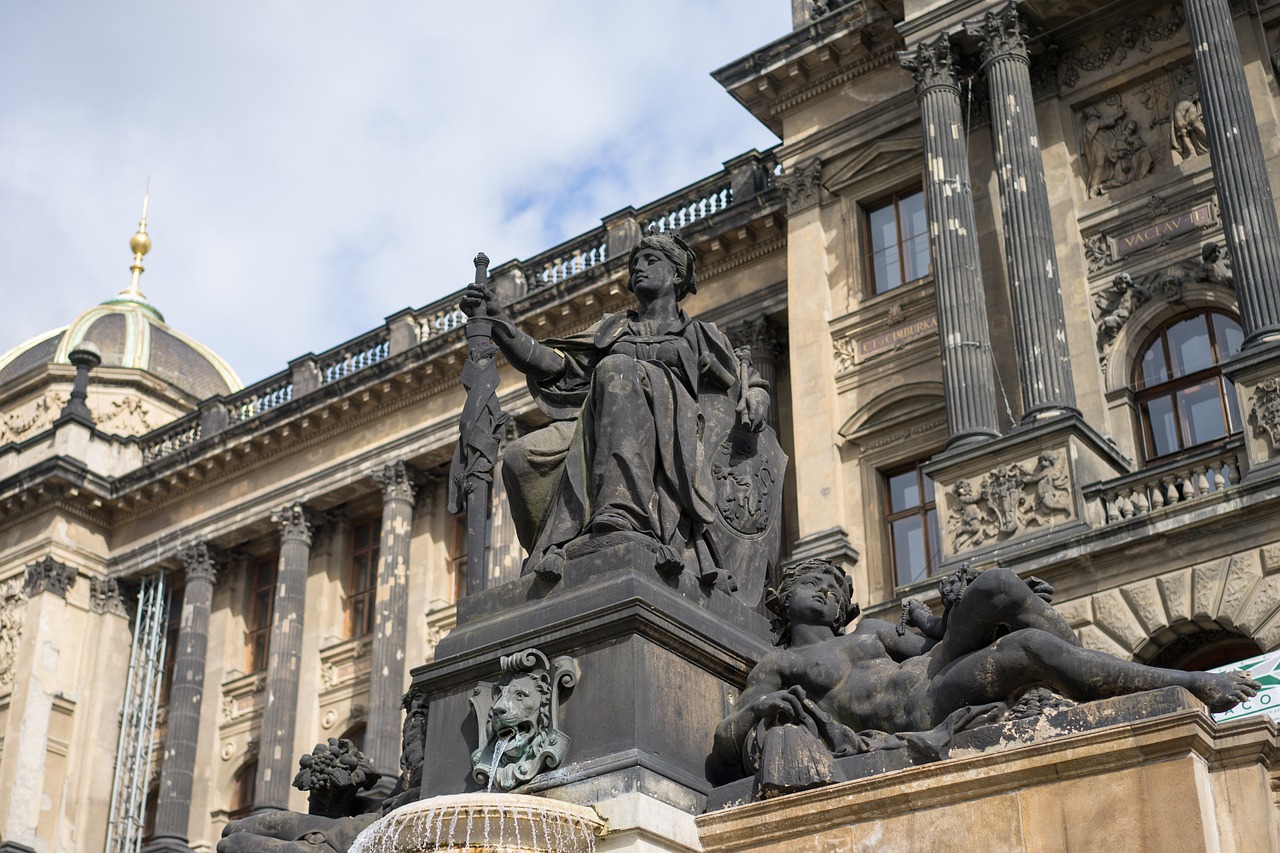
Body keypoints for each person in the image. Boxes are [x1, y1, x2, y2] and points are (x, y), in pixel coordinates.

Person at [712, 560, 1259, 787]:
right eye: (814, 582)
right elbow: (725, 739)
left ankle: (1089, 663)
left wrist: (956, 609)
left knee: (996, 585)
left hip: (932, 666)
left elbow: (934, 639)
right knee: (1027, 649)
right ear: (784, 601)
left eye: (836, 587)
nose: (828, 590)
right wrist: (762, 709)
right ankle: (1187, 682)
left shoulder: (872, 631)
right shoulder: (778, 665)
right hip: (921, 706)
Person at [461, 232, 771, 584]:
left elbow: (746, 382)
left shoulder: (700, 334)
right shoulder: (612, 328)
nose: (638, 267)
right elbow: (554, 364)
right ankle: (554, 548)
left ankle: (622, 512)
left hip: (675, 432)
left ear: (676, 275)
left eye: (651, 260)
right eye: (635, 263)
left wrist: (757, 397)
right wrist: (501, 325)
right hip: (600, 423)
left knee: (615, 368)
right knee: (520, 457)